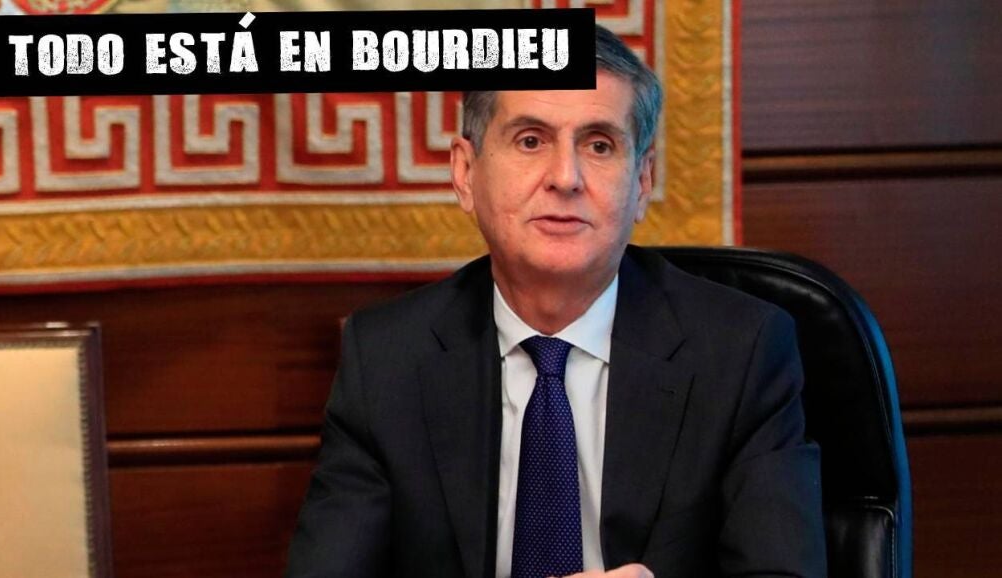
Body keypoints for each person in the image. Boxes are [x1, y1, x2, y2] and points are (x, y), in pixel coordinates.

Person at [285, 25, 826, 578]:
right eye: (530, 141)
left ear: (642, 181)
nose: (566, 178)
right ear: (465, 172)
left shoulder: (741, 352)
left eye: (599, 145)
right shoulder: (387, 359)